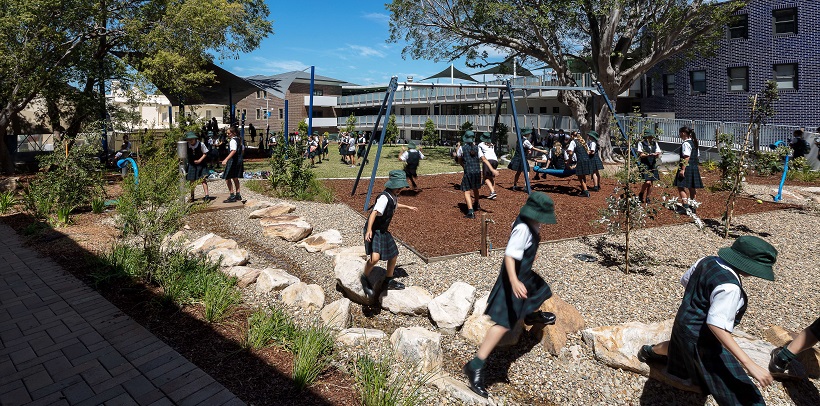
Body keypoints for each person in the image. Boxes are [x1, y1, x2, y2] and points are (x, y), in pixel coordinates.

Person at [638, 236, 778, 406]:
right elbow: (716, 325)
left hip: (684, 322)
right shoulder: (730, 288)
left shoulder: (707, 261)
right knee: (738, 391)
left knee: (679, 346)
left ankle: (648, 351)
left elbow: (686, 281)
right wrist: (749, 364)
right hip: (703, 339)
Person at [463, 192, 558, 398]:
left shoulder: (531, 223)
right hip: (512, 278)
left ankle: (529, 314)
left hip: (523, 274)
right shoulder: (523, 228)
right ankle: (475, 365)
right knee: (503, 324)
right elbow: (509, 256)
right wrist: (514, 281)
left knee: (541, 290)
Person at [361, 170, 417, 296]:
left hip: (383, 230)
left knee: (393, 254)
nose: (399, 189)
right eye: (398, 187)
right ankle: (364, 277)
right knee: (375, 258)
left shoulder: (392, 197)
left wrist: (408, 207)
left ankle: (389, 280)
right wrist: (369, 230)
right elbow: (374, 213)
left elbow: (395, 204)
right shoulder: (383, 198)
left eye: (401, 187)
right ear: (391, 185)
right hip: (375, 230)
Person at [459, 131, 495, 219]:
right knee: (475, 188)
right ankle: (476, 203)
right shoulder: (477, 148)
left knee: (467, 191)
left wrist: (464, 166)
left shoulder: (462, 148)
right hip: (477, 171)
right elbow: (484, 159)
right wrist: (492, 169)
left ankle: (471, 212)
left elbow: (459, 159)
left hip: (469, 171)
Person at [674, 127, 703, 213]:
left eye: (680, 133)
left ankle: (685, 206)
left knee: (680, 186)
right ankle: (693, 206)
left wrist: (683, 169)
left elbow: (686, 157)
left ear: (683, 133)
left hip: (686, 166)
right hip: (694, 166)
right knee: (691, 187)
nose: (679, 135)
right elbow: (697, 156)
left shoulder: (686, 143)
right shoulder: (694, 143)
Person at [184, 132, 212, 201]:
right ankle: (192, 196)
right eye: (189, 139)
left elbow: (205, 153)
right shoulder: (187, 145)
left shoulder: (201, 144)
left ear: (195, 139)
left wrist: (200, 160)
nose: (190, 141)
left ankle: (207, 195)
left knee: (203, 179)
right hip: (192, 164)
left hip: (201, 164)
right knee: (192, 180)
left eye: (192, 139)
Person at [637, 130, 661, 203]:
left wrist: (656, 154)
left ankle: (648, 197)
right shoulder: (641, 143)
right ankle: (641, 193)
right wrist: (648, 155)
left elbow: (658, 153)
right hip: (645, 164)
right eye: (649, 137)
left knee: (651, 182)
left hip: (652, 164)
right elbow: (641, 154)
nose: (651, 138)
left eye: (651, 137)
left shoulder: (654, 143)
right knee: (647, 182)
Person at [566, 131, 593, 197]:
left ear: (572, 136)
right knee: (583, 175)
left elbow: (570, 152)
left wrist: (569, 161)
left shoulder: (573, 142)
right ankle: (584, 189)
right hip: (587, 159)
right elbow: (588, 151)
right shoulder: (583, 141)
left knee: (580, 176)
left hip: (581, 160)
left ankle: (586, 192)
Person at [221, 126, 244, 203]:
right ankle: (238, 194)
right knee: (235, 177)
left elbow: (233, 151)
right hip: (238, 161)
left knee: (227, 178)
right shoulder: (239, 140)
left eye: (229, 133)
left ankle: (232, 195)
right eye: (227, 133)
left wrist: (226, 159)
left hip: (233, 161)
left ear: (233, 133)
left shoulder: (233, 141)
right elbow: (242, 150)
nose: (227, 135)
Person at [478, 132, 499, 200]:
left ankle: (492, 192)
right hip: (495, 161)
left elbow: (481, 156)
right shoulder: (491, 144)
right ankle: (492, 193)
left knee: (486, 177)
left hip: (488, 161)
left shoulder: (480, 144)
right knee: (491, 177)